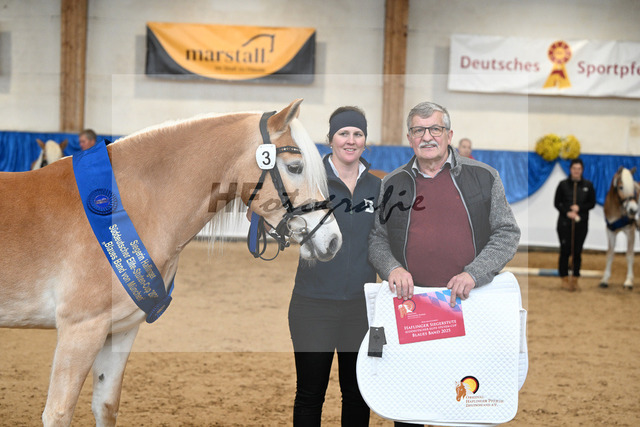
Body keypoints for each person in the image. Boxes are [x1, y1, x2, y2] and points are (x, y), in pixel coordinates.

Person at [368, 101, 521, 425]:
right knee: (409, 405)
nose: (427, 137)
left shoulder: (484, 176)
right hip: (415, 308)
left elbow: (507, 232)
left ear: (449, 135)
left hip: (469, 304)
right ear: (409, 138)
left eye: (435, 129)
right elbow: (378, 239)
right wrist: (392, 268)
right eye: (419, 130)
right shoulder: (392, 183)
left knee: (466, 401)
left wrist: (474, 273)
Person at [288, 106, 380, 426]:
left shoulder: (378, 188)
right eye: (343, 133)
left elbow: (385, 241)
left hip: (360, 309)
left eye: (357, 134)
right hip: (313, 306)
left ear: (365, 141)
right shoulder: (309, 182)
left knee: (356, 395)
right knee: (310, 394)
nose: (350, 140)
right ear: (331, 139)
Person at [554, 158, 596, 291]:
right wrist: (567, 212)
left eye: (579, 169)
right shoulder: (562, 185)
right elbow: (557, 203)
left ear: (582, 170)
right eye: (574, 168)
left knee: (577, 252)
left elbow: (592, 203)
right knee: (565, 251)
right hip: (564, 224)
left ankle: (575, 278)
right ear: (570, 169)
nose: (576, 171)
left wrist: (580, 208)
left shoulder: (588, 185)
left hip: (581, 224)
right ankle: (564, 278)